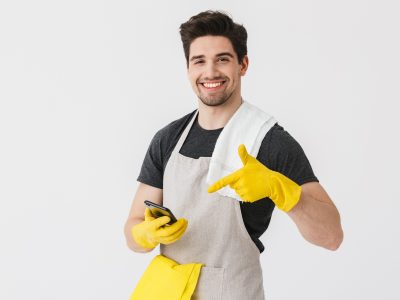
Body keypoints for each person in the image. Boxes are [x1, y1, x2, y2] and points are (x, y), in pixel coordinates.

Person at [124, 10, 343, 299]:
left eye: (222, 59)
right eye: (199, 61)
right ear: (188, 69)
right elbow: (133, 228)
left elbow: (331, 236)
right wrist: (144, 235)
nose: (210, 72)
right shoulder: (168, 139)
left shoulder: (268, 141)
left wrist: (281, 189)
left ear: (243, 64)